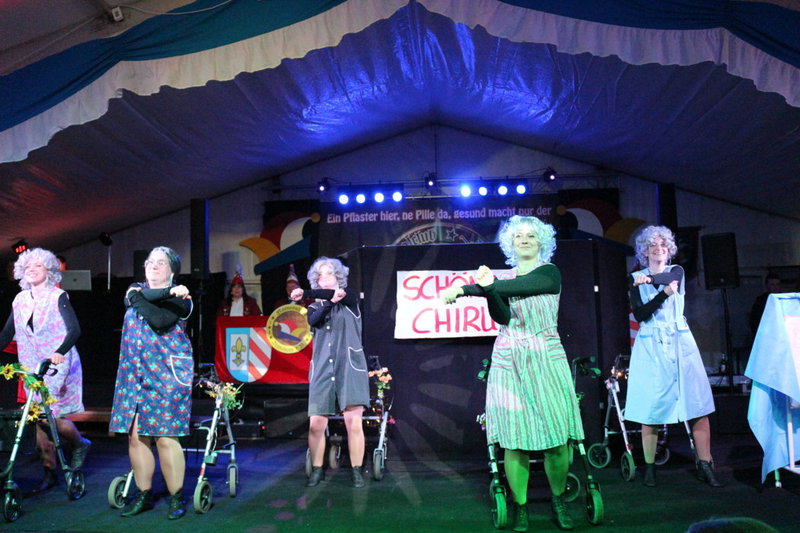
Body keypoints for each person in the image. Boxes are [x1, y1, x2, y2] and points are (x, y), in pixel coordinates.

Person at [442, 215, 583, 532]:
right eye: (518, 236)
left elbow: (525, 286)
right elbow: (502, 317)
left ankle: (558, 499)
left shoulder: (549, 272)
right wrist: (489, 291)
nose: (524, 240)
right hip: (509, 358)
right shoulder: (501, 282)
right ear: (510, 244)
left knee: (557, 438)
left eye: (530, 235)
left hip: (546, 356)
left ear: (541, 241)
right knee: (513, 440)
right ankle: (520, 506)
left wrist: (466, 289)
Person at [627, 225, 722, 488]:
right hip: (652, 345)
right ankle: (649, 467)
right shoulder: (634, 279)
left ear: (669, 250)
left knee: (697, 406)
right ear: (645, 251)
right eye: (653, 245)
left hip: (680, 343)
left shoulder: (676, 271)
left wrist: (653, 283)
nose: (659, 249)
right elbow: (641, 314)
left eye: (663, 245)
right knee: (652, 409)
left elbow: (669, 281)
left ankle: (705, 464)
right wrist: (661, 293)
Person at [109, 246, 193, 519]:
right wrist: (141, 294)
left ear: (172, 270)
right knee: (136, 436)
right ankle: (144, 494)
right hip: (133, 373)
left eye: (161, 263)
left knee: (165, 436)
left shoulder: (182, 299)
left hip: (166, 374)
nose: (153, 267)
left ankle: (176, 496)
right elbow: (134, 297)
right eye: (150, 262)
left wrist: (138, 297)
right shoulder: (136, 289)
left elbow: (159, 319)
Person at [0, 248, 91, 493]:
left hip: (57, 362)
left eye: (37, 266)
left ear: (49, 271)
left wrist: (59, 352)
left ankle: (80, 443)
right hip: (31, 363)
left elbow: (74, 330)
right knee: (35, 418)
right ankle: (49, 470)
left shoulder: (57, 296)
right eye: (28, 266)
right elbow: (8, 333)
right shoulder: (20, 299)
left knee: (48, 414)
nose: (31, 269)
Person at [290, 256, 370, 488]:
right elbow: (315, 320)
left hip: (350, 367)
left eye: (329, 273)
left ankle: (356, 470)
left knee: (353, 422)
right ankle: (317, 469)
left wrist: (304, 292)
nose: (325, 278)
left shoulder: (350, 300)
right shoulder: (314, 308)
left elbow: (337, 296)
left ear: (338, 277)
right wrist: (318, 299)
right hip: (323, 368)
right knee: (316, 424)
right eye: (320, 275)